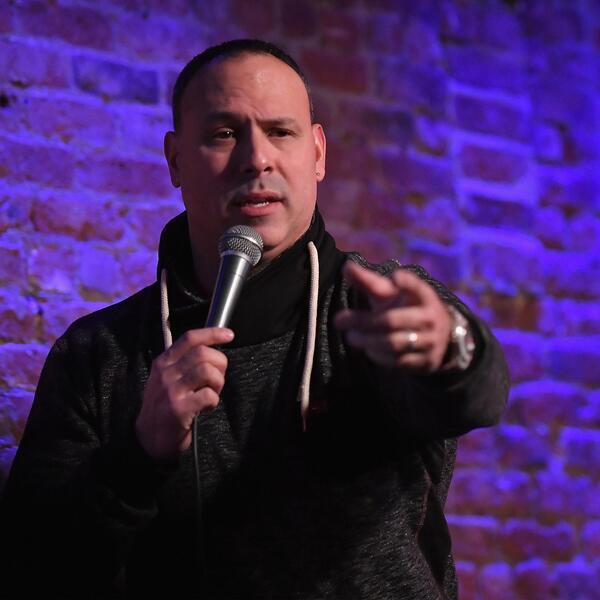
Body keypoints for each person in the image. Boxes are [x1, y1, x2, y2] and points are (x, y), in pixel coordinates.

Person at [0, 39, 508, 599]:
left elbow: (478, 397)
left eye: (281, 132)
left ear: (318, 153)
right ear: (175, 160)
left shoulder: (375, 309)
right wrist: (138, 456)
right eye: (224, 133)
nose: (257, 159)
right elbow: (32, 570)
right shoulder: (100, 353)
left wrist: (452, 348)